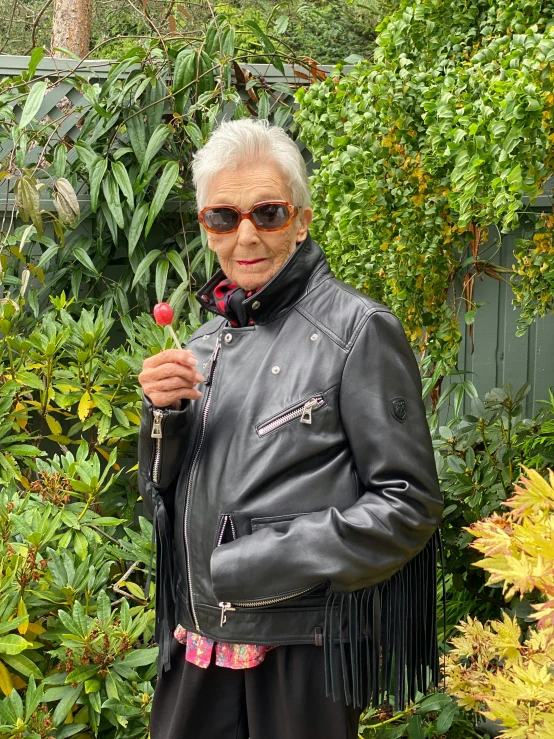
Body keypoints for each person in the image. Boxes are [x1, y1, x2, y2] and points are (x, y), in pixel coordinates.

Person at [137, 118, 444, 739]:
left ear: (301, 220)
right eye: (223, 217)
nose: (244, 234)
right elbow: (162, 503)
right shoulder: (203, 343)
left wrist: (256, 563)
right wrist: (162, 418)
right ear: (205, 226)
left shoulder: (358, 330)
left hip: (300, 646)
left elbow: (409, 506)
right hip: (197, 641)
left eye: (267, 212)